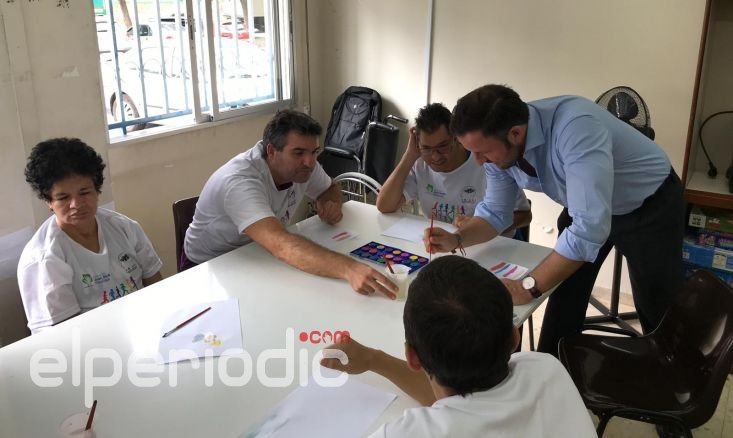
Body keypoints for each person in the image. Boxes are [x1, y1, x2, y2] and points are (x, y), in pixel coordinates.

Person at [426, 85, 684, 355]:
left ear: (515, 134)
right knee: (564, 291)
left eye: (482, 152)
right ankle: (553, 362)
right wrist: (457, 238)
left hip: (649, 204)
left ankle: (673, 369)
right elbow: (495, 213)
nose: (479, 162)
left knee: (657, 302)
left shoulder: (576, 127)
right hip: (584, 204)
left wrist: (529, 286)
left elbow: (588, 230)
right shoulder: (499, 148)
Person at [320, 256, 595, 437]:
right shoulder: (546, 369)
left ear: (413, 358)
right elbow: (459, 406)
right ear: (514, 338)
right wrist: (373, 359)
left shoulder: (408, 433)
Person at [184, 110, 398, 299]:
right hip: (209, 268)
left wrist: (330, 202)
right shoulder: (240, 181)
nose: (310, 162)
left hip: (258, 254)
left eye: (314, 152)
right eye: (298, 153)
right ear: (271, 151)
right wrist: (350, 269)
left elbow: (329, 187)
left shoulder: (304, 166)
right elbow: (281, 244)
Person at [18, 138, 163, 333]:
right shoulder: (45, 259)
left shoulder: (124, 227)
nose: (76, 205)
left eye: (84, 192)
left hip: (141, 329)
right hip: (87, 343)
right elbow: (66, 334)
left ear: (97, 190)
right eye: (63, 197)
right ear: (48, 201)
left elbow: (156, 285)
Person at [376, 102, 531, 238]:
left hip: (492, 245)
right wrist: (409, 155)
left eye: (442, 146)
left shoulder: (486, 161)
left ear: (456, 138)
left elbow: (524, 215)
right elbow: (384, 206)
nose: (435, 156)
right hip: (445, 245)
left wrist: (484, 224)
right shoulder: (420, 163)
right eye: (427, 148)